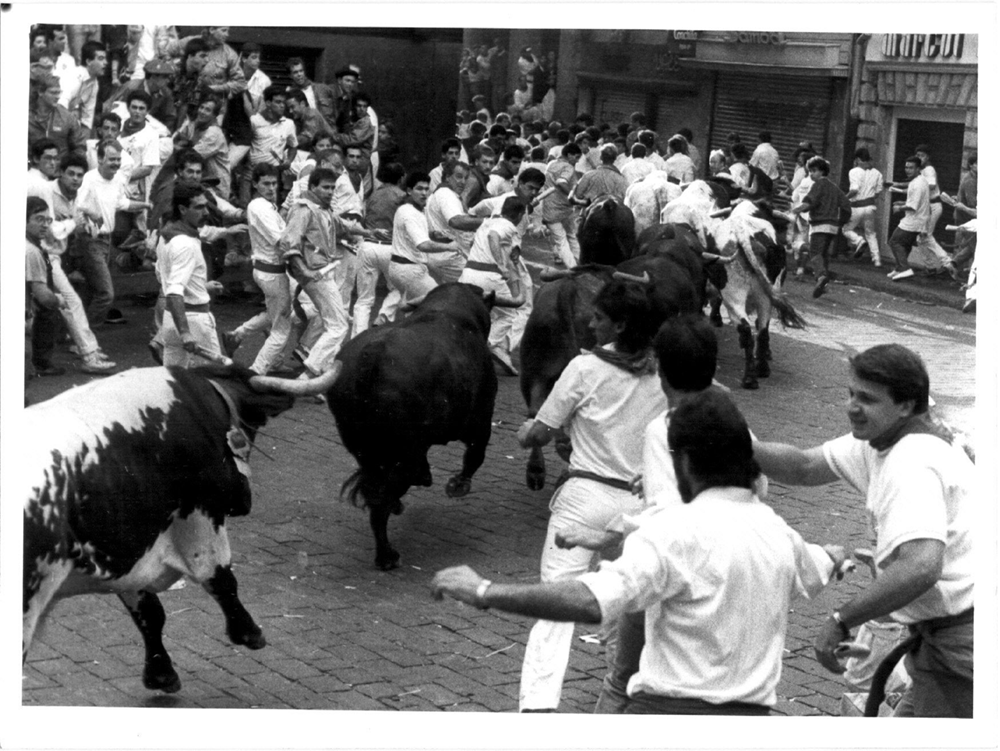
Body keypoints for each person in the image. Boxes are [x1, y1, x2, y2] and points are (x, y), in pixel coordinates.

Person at [435, 387, 845, 714]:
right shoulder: (778, 534)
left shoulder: (674, 531)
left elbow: (590, 600)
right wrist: (838, 556)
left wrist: (486, 591)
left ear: (683, 461)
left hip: (666, 719)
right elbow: (817, 566)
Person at [753, 344, 974, 717]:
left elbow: (921, 565)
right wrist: (736, 441)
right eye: (851, 393)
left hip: (961, 645)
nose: (852, 407)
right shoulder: (881, 441)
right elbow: (804, 467)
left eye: (867, 399)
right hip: (948, 641)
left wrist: (840, 621)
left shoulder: (912, 461)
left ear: (905, 406)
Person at [511, 280, 668, 711]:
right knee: (632, 605)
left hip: (584, 498)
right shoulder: (663, 372)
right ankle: (625, 697)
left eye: (598, 317)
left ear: (619, 324)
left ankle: (538, 708)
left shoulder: (584, 368)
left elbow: (540, 430)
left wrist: (528, 432)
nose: (590, 323)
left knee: (556, 600)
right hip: (641, 506)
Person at [30, 153, 118, 374]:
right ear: (61, 172)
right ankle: (89, 355)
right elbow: (50, 230)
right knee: (72, 303)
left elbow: (89, 224)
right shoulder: (47, 190)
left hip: (58, 257)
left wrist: (88, 216)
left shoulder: (76, 195)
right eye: (71, 173)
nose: (76, 179)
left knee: (61, 306)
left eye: (80, 175)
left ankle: (88, 351)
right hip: (42, 255)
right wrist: (73, 223)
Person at [280, 167, 360, 380]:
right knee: (338, 325)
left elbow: (343, 226)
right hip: (315, 274)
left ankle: (315, 370)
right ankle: (309, 373)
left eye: (333, 188)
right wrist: (304, 270)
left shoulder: (323, 209)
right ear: (313, 187)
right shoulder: (303, 209)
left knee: (330, 321)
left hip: (323, 271)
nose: (330, 191)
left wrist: (368, 232)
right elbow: (289, 242)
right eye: (325, 187)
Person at [221, 164, 292, 374]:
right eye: (266, 184)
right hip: (272, 271)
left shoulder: (267, 205)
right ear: (255, 184)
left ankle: (238, 334)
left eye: (274, 183)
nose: (271, 188)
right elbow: (282, 242)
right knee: (282, 327)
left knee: (276, 312)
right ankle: (256, 372)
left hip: (269, 270)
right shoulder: (259, 207)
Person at [77, 139, 152, 326]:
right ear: (100, 159)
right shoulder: (89, 179)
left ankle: (78, 337)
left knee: (92, 290)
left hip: (106, 242)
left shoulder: (118, 179)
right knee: (106, 294)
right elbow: (78, 207)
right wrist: (89, 223)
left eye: (118, 159)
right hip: (91, 241)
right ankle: (86, 338)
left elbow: (122, 203)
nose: (116, 164)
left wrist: (144, 205)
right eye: (111, 159)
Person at [157, 183, 225, 367]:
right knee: (214, 381)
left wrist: (202, 286)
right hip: (194, 323)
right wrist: (185, 332)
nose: (206, 213)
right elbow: (173, 290)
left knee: (172, 385)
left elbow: (163, 276)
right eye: (199, 207)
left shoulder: (166, 237)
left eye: (206, 206)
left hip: (171, 321)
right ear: (182, 209)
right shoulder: (185, 244)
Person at [457, 196, 527, 374]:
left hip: (468, 274)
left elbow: (482, 241)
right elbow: (493, 237)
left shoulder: (486, 222)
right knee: (509, 314)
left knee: (469, 313)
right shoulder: (508, 225)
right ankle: (488, 344)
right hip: (489, 276)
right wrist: (501, 265)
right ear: (519, 214)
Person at [385, 171, 458, 310]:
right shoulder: (408, 212)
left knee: (413, 311)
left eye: (426, 189)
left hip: (404, 268)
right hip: (409, 270)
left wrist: (433, 234)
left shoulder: (416, 210)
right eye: (419, 189)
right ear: (409, 190)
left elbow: (417, 237)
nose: (424, 193)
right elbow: (423, 245)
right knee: (440, 302)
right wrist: (450, 247)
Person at [354, 162, 406, 332]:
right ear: (400, 178)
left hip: (368, 245)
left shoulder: (373, 195)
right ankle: (384, 315)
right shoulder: (402, 196)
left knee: (364, 300)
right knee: (401, 288)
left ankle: (356, 340)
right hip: (391, 248)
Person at [790, 156, 850, 299]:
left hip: (819, 225)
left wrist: (795, 211)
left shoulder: (818, 185)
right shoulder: (834, 187)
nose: (811, 174)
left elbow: (809, 203)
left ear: (822, 171)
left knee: (814, 253)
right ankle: (823, 284)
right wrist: (841, 222)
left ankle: (821, 277)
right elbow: (847, 205)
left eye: (814, 171)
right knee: (823, 255)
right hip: (833, 227)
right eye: (810, 171)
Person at [26, 197, 69, 378]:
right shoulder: (31, 251)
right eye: (38, 219)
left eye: (47, 220)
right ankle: (41, 365)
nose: (45, 225)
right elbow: (43, 296)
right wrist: (58, 300)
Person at [885, 155, 930, 282]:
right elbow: (916, 200)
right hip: (920, 219)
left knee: (894, 241)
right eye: (906, 167)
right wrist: (901, 203)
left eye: (911, 168)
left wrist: (899, 208)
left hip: (914, 220)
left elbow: (913, 206)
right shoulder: (920, 180)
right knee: (906, 244)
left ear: (918, 169)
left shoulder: (917, 184)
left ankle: (905, 268)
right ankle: (899, 268)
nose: (908, 170)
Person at [29, 73, 87, 161]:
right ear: (40, 92)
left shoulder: (67, 117)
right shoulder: (28, 115)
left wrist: (69, 167)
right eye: (53, 93)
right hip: (33, 169)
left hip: (60, 169)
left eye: (59, 92)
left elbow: (79, 147)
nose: (58, 97)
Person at [543, 141, 582, 268]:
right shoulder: (568, 167)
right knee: (572, 237)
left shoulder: (551, 164)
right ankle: (578, 266)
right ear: (569, 155)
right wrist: (573, 196)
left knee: (561, 241)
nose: (576, 161)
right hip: (566, 209)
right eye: (576, 157)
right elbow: (561, 182)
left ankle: (573, 268)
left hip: (550, 209)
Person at [843, 147, 884, 267]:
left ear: (858, 159)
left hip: (857, 206)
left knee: (846, 229)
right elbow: (877, 192)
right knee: (871, 233)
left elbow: (854, 189)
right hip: (870, 207)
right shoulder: (877, 173)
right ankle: (877, 260)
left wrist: (844, 198)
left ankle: (859, 241)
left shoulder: (854, 171)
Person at [59, 40, 107, 136]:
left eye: (105, 59)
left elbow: (87, 117)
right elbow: (61, 105)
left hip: (67, 121)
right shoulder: (75, 75)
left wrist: (83, 143)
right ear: (88, 61)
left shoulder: (95, 83)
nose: (106, 63)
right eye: (101, 59)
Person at [287, 56, 335, 124]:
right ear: (290, 75)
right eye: (295, 72)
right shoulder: (291, 94)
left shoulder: (321, 88)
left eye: (301, 71)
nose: (299, 74)